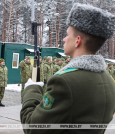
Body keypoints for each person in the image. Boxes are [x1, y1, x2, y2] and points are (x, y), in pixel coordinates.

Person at [20, 3, 115, 134]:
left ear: (77, 41)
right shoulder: (109, 80)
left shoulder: (64, 82)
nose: (64, 39)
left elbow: (33, 128)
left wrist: (31, 90)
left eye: (67, 34)